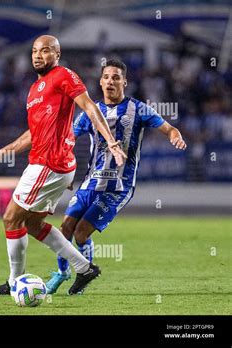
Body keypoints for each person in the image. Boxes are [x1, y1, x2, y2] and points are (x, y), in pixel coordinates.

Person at [0, 35, 127, 296]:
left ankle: (15, 282)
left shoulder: (63, 76)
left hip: (49, 163)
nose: (38, 55)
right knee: (33, 225)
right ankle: (84, 268)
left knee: (11, 218)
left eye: (45, 50)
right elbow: (31, 135)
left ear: (57, 55)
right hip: (51, 164)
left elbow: (90, 108)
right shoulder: (34, 90)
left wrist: (111, 142)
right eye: (35, 50)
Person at [45, 59, 187, 294]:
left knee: (81, 232)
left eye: (116, 77)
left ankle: (83, 276)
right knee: (65, 228)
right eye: (107, 77)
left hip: (118, 187)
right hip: (90, 183)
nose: (111, 81)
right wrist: (65, 169)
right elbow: (67, 141)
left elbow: (168, 127)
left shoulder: (138, 109)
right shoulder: (91, 112)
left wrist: (174, 135)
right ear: (100, 82)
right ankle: (62, 273)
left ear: (125, 82)